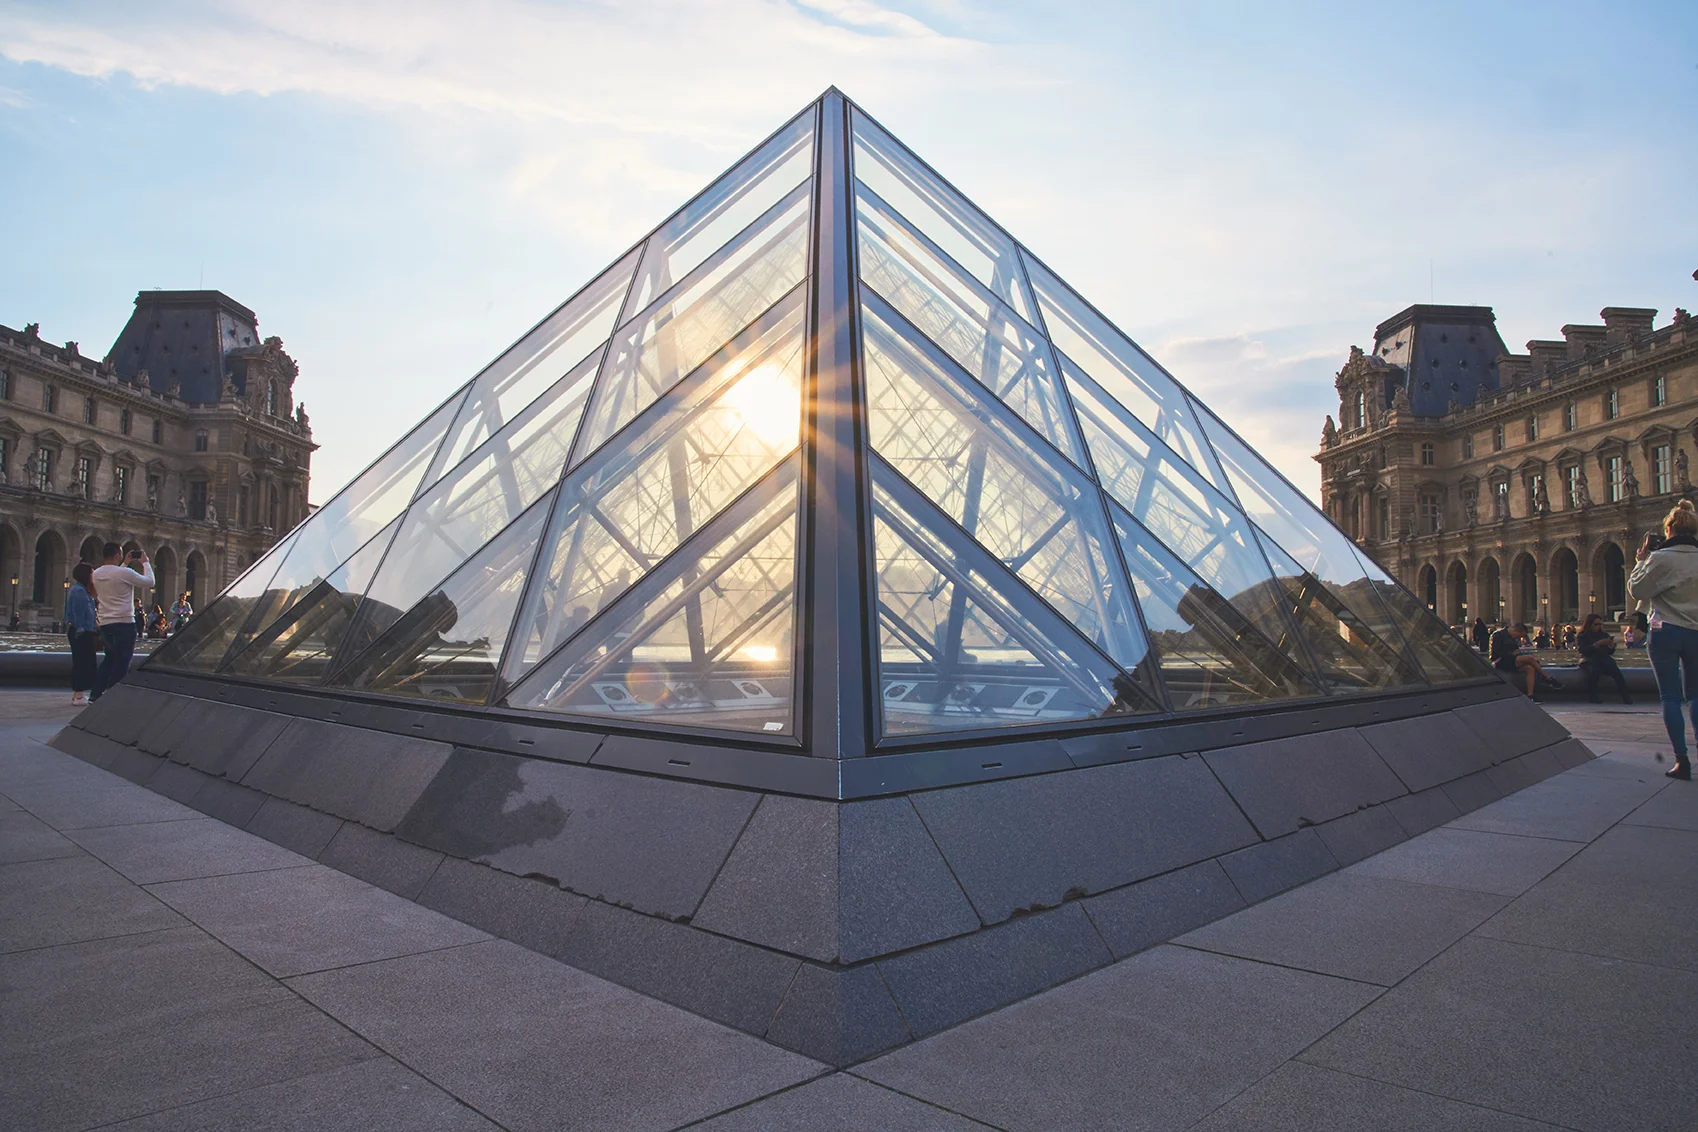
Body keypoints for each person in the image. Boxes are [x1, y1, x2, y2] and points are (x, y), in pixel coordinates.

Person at [1628, 499, 1698, 780]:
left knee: (1670, 696)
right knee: (1696, 694)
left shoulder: (1660, 558)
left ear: (1668, 530)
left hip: (1665, 631)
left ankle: (1682, 760)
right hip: (1696, 631)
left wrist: (1641, 562)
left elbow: (1637, 589)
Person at [91, 543, 154, 702]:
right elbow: (149, 582)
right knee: (123, 660)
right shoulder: (124, 573)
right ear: (118, 555)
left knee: (109, 658)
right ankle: (114, 695)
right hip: (124, 622)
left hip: (105, 623)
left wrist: (125, 563)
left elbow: (114, 576)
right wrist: (145, 562)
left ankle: (95, 694)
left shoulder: (96, 574)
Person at [1491, 621, 1561, 698]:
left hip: (1511, 661)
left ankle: (1530, 694)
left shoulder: (1512, 637)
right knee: (1530, 658)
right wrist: (1512, 653)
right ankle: (1547, 678)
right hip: (1500, 661)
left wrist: (1517, 653)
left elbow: (1515, 651)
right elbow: (1495, 653)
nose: (1518, 638)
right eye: (1518, 636)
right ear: (1515, 630)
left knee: (1530, 668)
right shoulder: (1497, 635)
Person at [64, 562, 100, 705]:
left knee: (83, 662)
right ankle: (78, 695)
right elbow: (78, 614)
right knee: (82, 663)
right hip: (81, 632)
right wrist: (83, 632)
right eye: (92, 573)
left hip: (82, 631)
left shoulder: (81, 590)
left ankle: (78, 694)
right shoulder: (79, 591)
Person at [1575, 613, 1631, 705]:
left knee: (1616, 672)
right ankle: (1593, 696)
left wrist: (1611, 646)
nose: (1598, 626)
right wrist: (1597, 644)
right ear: (1589, 624)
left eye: (1600, 624)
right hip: (1589, 660)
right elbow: (1582, 650)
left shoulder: (1604, 634)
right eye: (1596, 624)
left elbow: (1609, 652)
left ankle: (1626, 696)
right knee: (1595, 671)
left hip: (1603, 659)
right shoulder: (1582, 635)